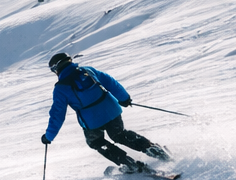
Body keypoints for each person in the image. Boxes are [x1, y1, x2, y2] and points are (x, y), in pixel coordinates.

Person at [42, 53, 171, 173]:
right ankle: (153, 149)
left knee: (96, 142)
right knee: (119, 134)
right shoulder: (88, 71)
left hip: (92, 121)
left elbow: (57, 115)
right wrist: (124, 98)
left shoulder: (60, 88)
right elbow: (110, 82)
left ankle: (128, 163)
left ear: (56, 69)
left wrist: (49, 136)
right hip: (111, 110)